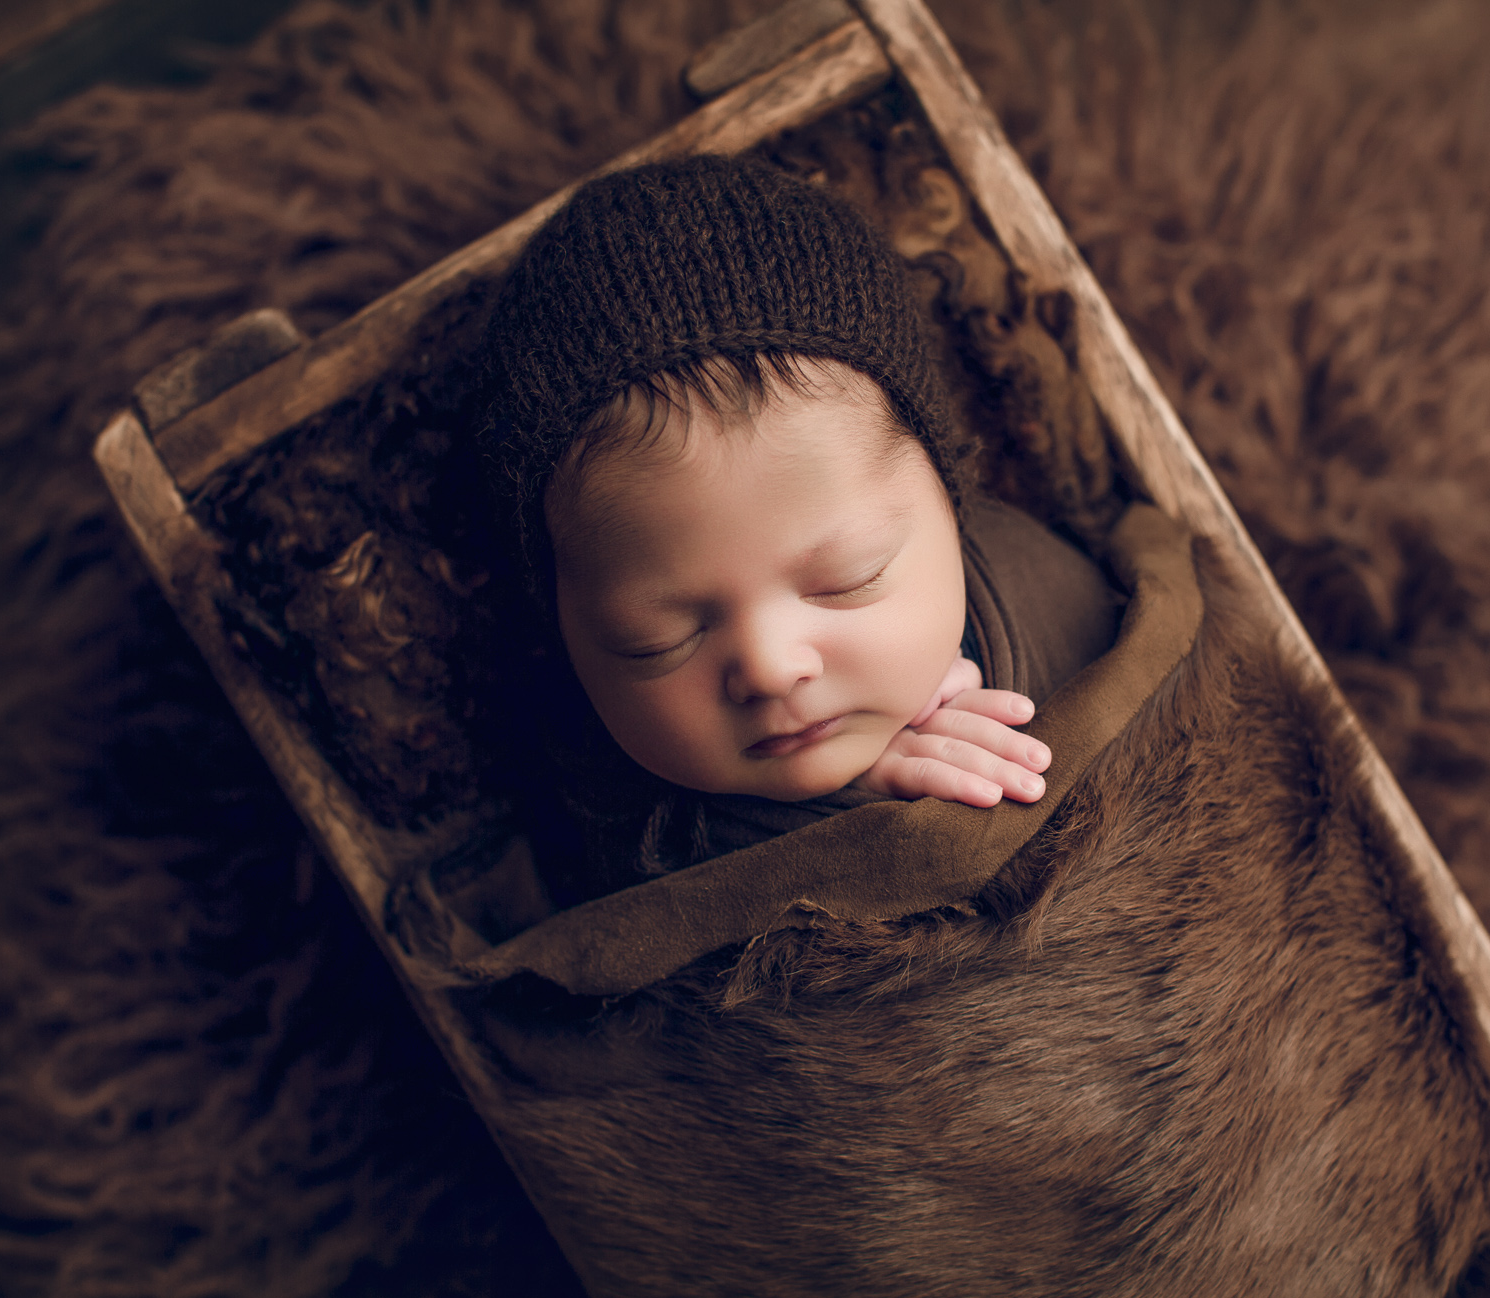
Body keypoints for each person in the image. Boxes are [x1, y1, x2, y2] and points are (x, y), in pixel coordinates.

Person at [479, 154, 1123, 904]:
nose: (770, 667)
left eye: (850, 579)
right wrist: (849, 803)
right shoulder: (596, 795)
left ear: (953, 506)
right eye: (656, 641)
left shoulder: (1054, 594)